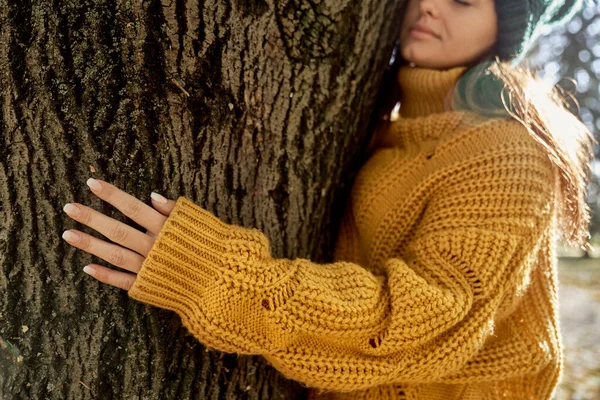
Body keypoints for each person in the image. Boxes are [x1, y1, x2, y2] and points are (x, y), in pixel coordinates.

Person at [60, 0, 596, 399]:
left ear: (503, 33)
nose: (429, 5)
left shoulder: (506, 151)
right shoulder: (388, 128)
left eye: (463, 1)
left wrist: (214, 275)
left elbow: (420, 321)